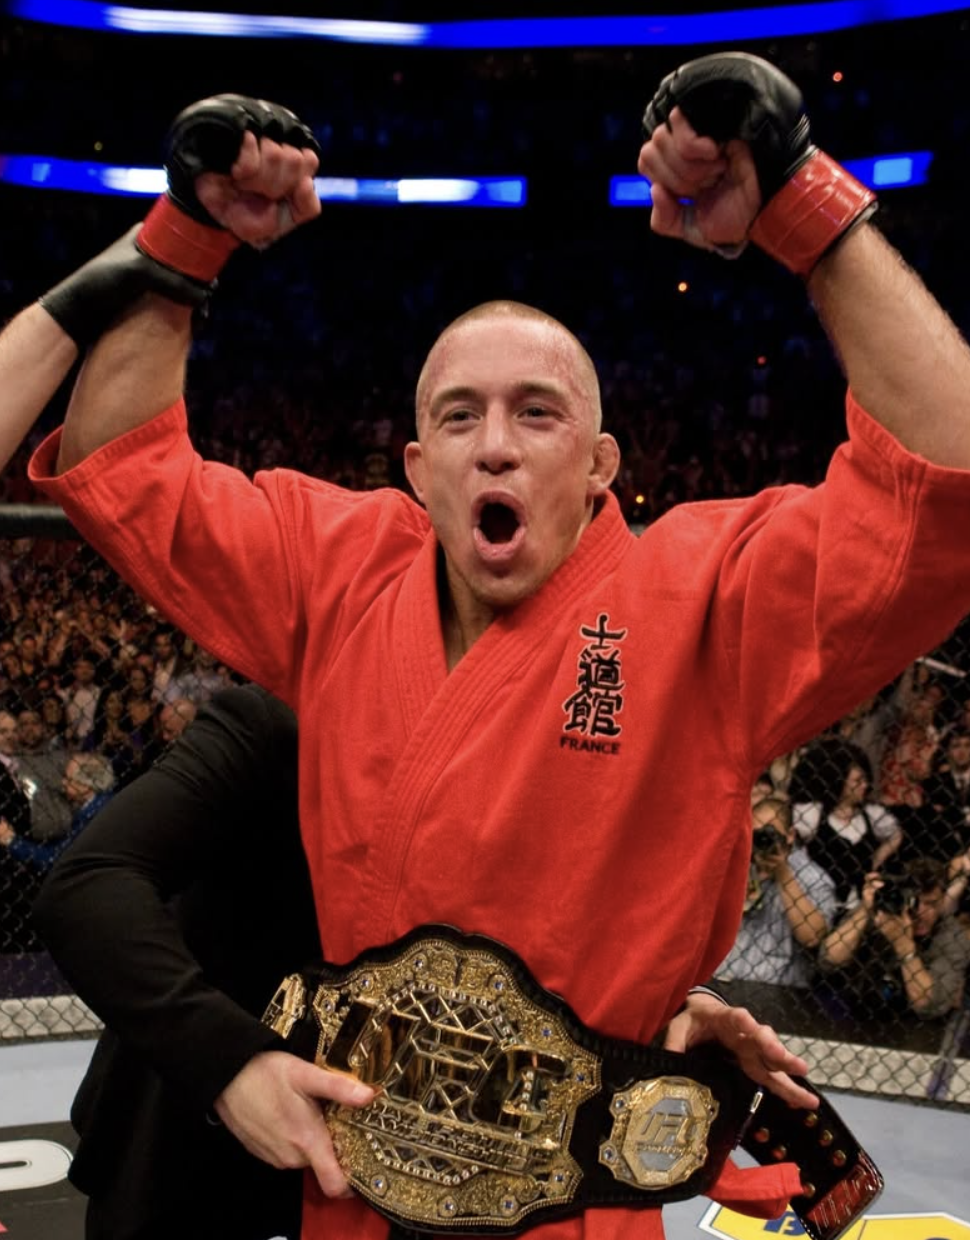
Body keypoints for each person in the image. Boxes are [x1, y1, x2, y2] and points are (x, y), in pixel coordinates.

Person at [16, 51, 970, 1238]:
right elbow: (133, 467)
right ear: (416, 468)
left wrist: (801, 205)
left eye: (538, 412)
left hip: (567, 1208)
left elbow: (947, 482)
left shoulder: (706, 595)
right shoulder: (341, 563)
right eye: (458, 416)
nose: (496, 446)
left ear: (602, 463)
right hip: (351, 1189)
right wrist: (186, 237)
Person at [33, 684, 321, 1240]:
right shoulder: (278, 724)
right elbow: (86, 884)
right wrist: (230, 1065)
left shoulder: (524, 756)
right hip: (188, 1151)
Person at [818, 857, 970, 1031]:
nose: (921, 913)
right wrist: (867, 909)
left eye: (931, 904)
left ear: (943, 900)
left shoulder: (952, 935)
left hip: (919, 1032)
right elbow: (829, 960)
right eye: (915, 902)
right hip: (854, 1014)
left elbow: (929, 1006)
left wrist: (904, 946)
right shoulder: (884, 909)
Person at [715, 796, 837, 988]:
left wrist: (783, 873)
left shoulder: (812, 877)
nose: (764, 840)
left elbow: (812, 937)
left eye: (771, 833)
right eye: (758, 834)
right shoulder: (735, 866)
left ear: (790, 835)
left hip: (776, 988)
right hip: (724, 977)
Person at [789, 739, 903, 908]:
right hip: (821, 903)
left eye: (865, 780)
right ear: (837, 781)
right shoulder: (814, 815)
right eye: (857, 781)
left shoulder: (871, 815)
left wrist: (876, 860)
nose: (864, 785)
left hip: (860, 905)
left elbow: (895, 834)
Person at [0, 751, 116, 872]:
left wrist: (11, 840)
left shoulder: (92, 815)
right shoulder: (103, 803)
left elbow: (55, 859)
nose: (63, 783)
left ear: (85, 786)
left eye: (68, 779)